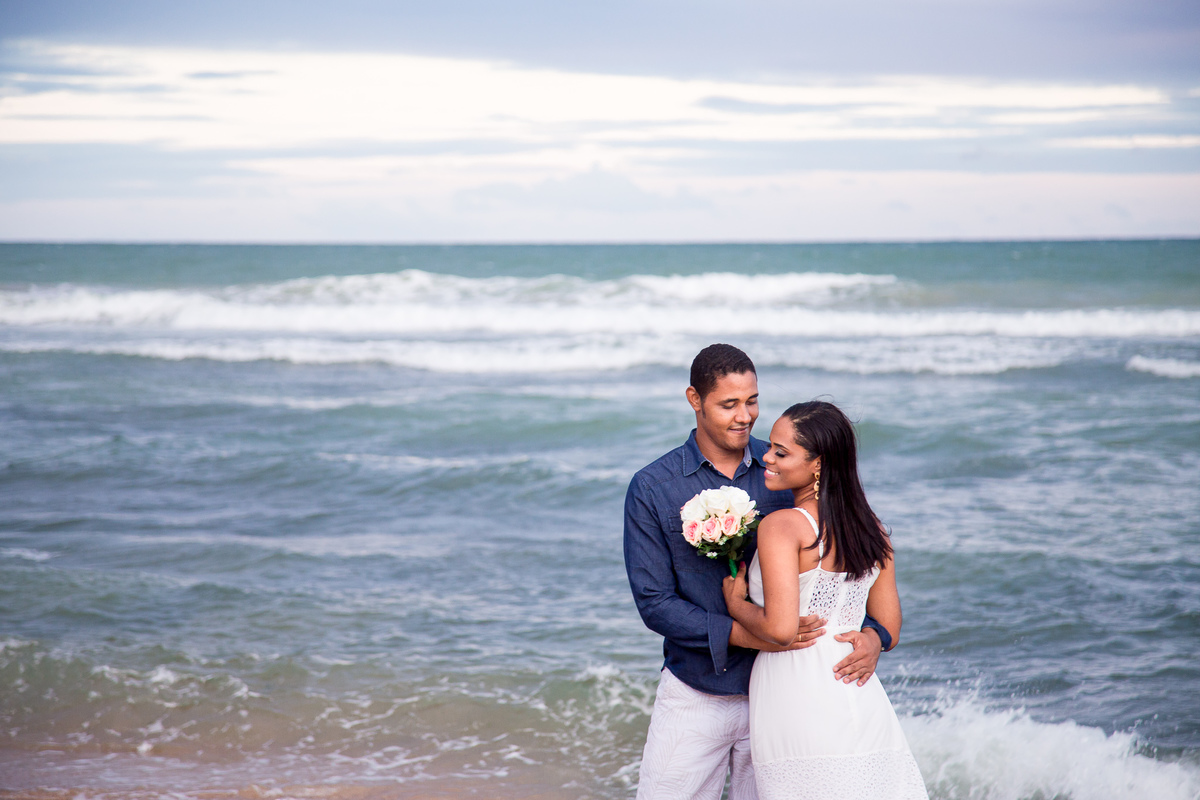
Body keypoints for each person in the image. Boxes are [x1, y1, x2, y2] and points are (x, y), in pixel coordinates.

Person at [624, 345, 893, 800]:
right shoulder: (653, 487)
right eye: (728, 404)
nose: (744, 415)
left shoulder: (787, 465)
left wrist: (873, 636)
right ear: (695, 399)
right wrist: (748, 632)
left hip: (784, 697)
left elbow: (847, 555)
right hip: (696, 688)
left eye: (752, 401)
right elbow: (655, 603)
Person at [722, 401, 928, 800]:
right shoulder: (872, 530)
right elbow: (890, 626)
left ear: (817, 465)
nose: (766, 456)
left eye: (782, 452)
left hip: (796, 686)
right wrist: (872, 639)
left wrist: (736, 605)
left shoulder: (782, 526)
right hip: (854, 684)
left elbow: (781, 631)